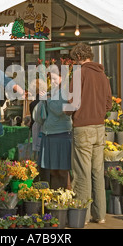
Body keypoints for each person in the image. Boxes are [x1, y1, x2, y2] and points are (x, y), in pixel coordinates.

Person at [66, 42, 112, 224]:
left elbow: (72, 102)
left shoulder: (79, 74)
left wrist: (65, 111)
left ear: (78, 57)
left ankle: (81, 216)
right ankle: (100, 215)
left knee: (81, 172)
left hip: (82, 128)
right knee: (97, 172)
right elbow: (109, 104)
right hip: (99, 128)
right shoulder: (103, 76)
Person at [37, 66, 72, 190]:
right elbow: (40, 116)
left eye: (54, 78)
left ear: (62, 78)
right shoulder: (52, 93)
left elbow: (59, 110)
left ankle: (67, 197)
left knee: (63, 171)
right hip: (49, 134)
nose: (52, 81)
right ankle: (56, 198)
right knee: (53, 171)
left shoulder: (65, 92)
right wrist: (42, 101)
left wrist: (47, 100)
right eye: (50, 78)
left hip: (62, 135)